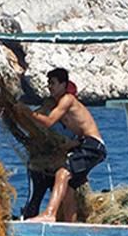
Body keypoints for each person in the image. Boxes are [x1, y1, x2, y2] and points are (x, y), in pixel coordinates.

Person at [22, 68, 106, 222]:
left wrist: (26, 112)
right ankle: (70, 225)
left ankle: (50, 214)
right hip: (83, 144)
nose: (49, 87)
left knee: (62, 173)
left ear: (63, 84)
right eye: (48, 83)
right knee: (69, 188)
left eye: (53, 83)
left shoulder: (67, 99)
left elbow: (48, 121)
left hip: (93, 145)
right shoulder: (57, 103)